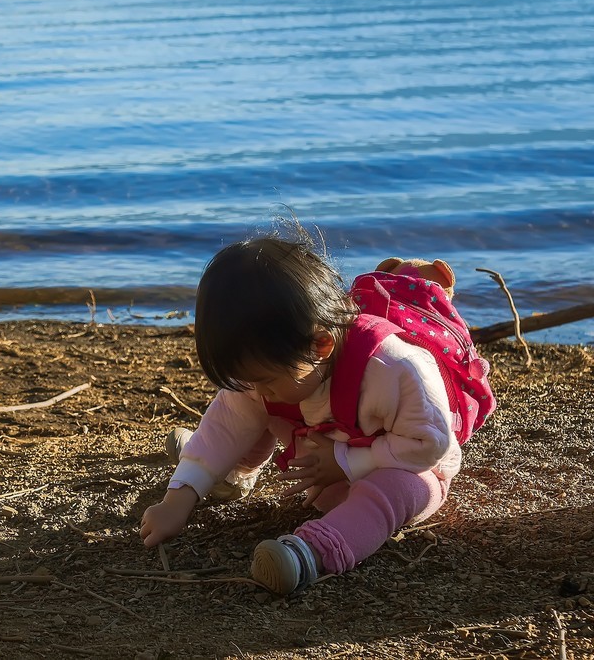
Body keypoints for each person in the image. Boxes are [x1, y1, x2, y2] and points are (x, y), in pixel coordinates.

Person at [139, 227, 491, 595]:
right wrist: (178, 497)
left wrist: (346, 462)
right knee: (255, 411)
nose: (257, 389)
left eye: (265, 379)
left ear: (320, 344)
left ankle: (312, 552)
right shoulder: (276, 366)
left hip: (404, 463)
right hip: (322, 466)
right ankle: (229, 474)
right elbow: (226, 423)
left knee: (404, 488)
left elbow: (428, 444)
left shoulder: (394, 368)